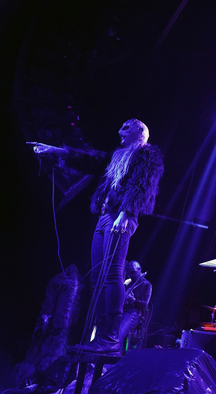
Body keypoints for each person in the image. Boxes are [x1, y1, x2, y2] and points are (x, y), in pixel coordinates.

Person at [29, 118, 164, 354]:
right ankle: (100, 336)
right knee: (97, 277)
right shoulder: (118, 155)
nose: (119, 130)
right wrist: (55, 150)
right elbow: (90, 160)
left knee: (112, 273)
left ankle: (110, 337)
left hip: (121, 216)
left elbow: (142, 185)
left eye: (125, 127)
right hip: (105, 215)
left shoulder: (147, 155)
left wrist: (126, 212)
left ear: (140, 131)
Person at [120, 260, 152, 352]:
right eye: (129, 273)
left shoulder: (146, 284)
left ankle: (111, 361)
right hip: (122, 311)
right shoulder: (128, 282)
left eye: (133, 272)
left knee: (118, 334)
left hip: (133, 313)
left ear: (140, 270)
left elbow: (144, 304)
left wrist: (132, 300)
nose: (131, 275)